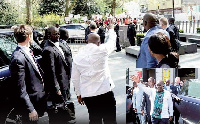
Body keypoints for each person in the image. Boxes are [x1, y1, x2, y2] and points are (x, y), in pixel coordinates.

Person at [71, 22, 117, 124]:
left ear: (86, 41)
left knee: (94, 119)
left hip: (88, 94)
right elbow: (112, 42)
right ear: (99, 42)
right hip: (105, 92)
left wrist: (79, 94)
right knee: (110, 120)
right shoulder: (102, 50)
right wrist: (111, 30)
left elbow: (75, 78)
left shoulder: (77, 56)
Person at [9, 25, 46, 123]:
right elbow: (20, 88)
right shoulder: (18, 58)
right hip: (31, 104)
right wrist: (30, 109)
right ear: (29, 37)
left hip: (38, 100)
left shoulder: (28, 51)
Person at [41, 27, 72, 124]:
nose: (58, 36)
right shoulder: (48, 50)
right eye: (55, 34)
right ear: (49, 35)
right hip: (58, 86)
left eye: (58, 33)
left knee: (64, 109)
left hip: (64, 83)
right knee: (59, 112)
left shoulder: (58, 45)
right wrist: (56, 88)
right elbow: (50, 71)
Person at [59, 28, 73, 100]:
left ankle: (68, 94)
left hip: (69, 67)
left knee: (68, 80)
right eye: (67, 33)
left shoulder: (64, 42)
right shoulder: (60, 44)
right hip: (65, 67)